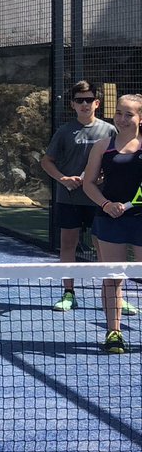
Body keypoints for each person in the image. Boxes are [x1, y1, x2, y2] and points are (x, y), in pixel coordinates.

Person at [41, 81, 136, 314]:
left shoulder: (110, 130)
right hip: (69, 199)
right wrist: (63, 179)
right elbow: (46, 161)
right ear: (73, 104)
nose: (84, 104)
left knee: (105, 251)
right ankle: (68, 293)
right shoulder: (64, 131)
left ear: (97, 103)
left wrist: (102, 179)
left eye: (88, 99)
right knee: (68, 246)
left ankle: (117, 296)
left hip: (101, 203)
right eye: (79, 100)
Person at [81, 93, 142, 354]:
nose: (122, 118)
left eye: (129, 114)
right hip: (110, 220)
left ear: (140, 117)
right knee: (113, 278)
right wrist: (106, 204)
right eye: (119, 112)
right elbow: (88, 183)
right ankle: (114, 332)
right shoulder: (103, 146)